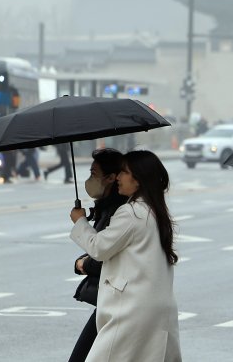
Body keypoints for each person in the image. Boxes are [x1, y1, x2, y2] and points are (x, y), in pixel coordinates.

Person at [69, 150, 180, 362]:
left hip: (130, 309)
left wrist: (80, 221)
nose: (118, 177)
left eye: (124, 172)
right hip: (156, 308)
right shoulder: (155, 211)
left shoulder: (131, 213)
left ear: (138, 179)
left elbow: (99, 248)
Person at [67, 148, 129, 362]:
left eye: (94, 174)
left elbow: (106, 255)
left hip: (120, 302)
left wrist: (84, 264)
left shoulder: (122, 212)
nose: (89, 180)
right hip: (112, 301)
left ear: (111, 178)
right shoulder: (107, 208)